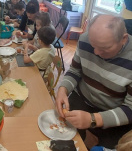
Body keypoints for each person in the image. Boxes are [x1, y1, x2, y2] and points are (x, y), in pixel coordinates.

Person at [55, 15, 132, 149]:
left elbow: (130, 109)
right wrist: (63, 89)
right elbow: (75, 71)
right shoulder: (86, 39)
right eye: (93, 46)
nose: (95, 52)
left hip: (113, 112)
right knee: (58, 134)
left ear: (124, 39)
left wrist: (92, 120)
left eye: (104, 48)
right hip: (82, 99)